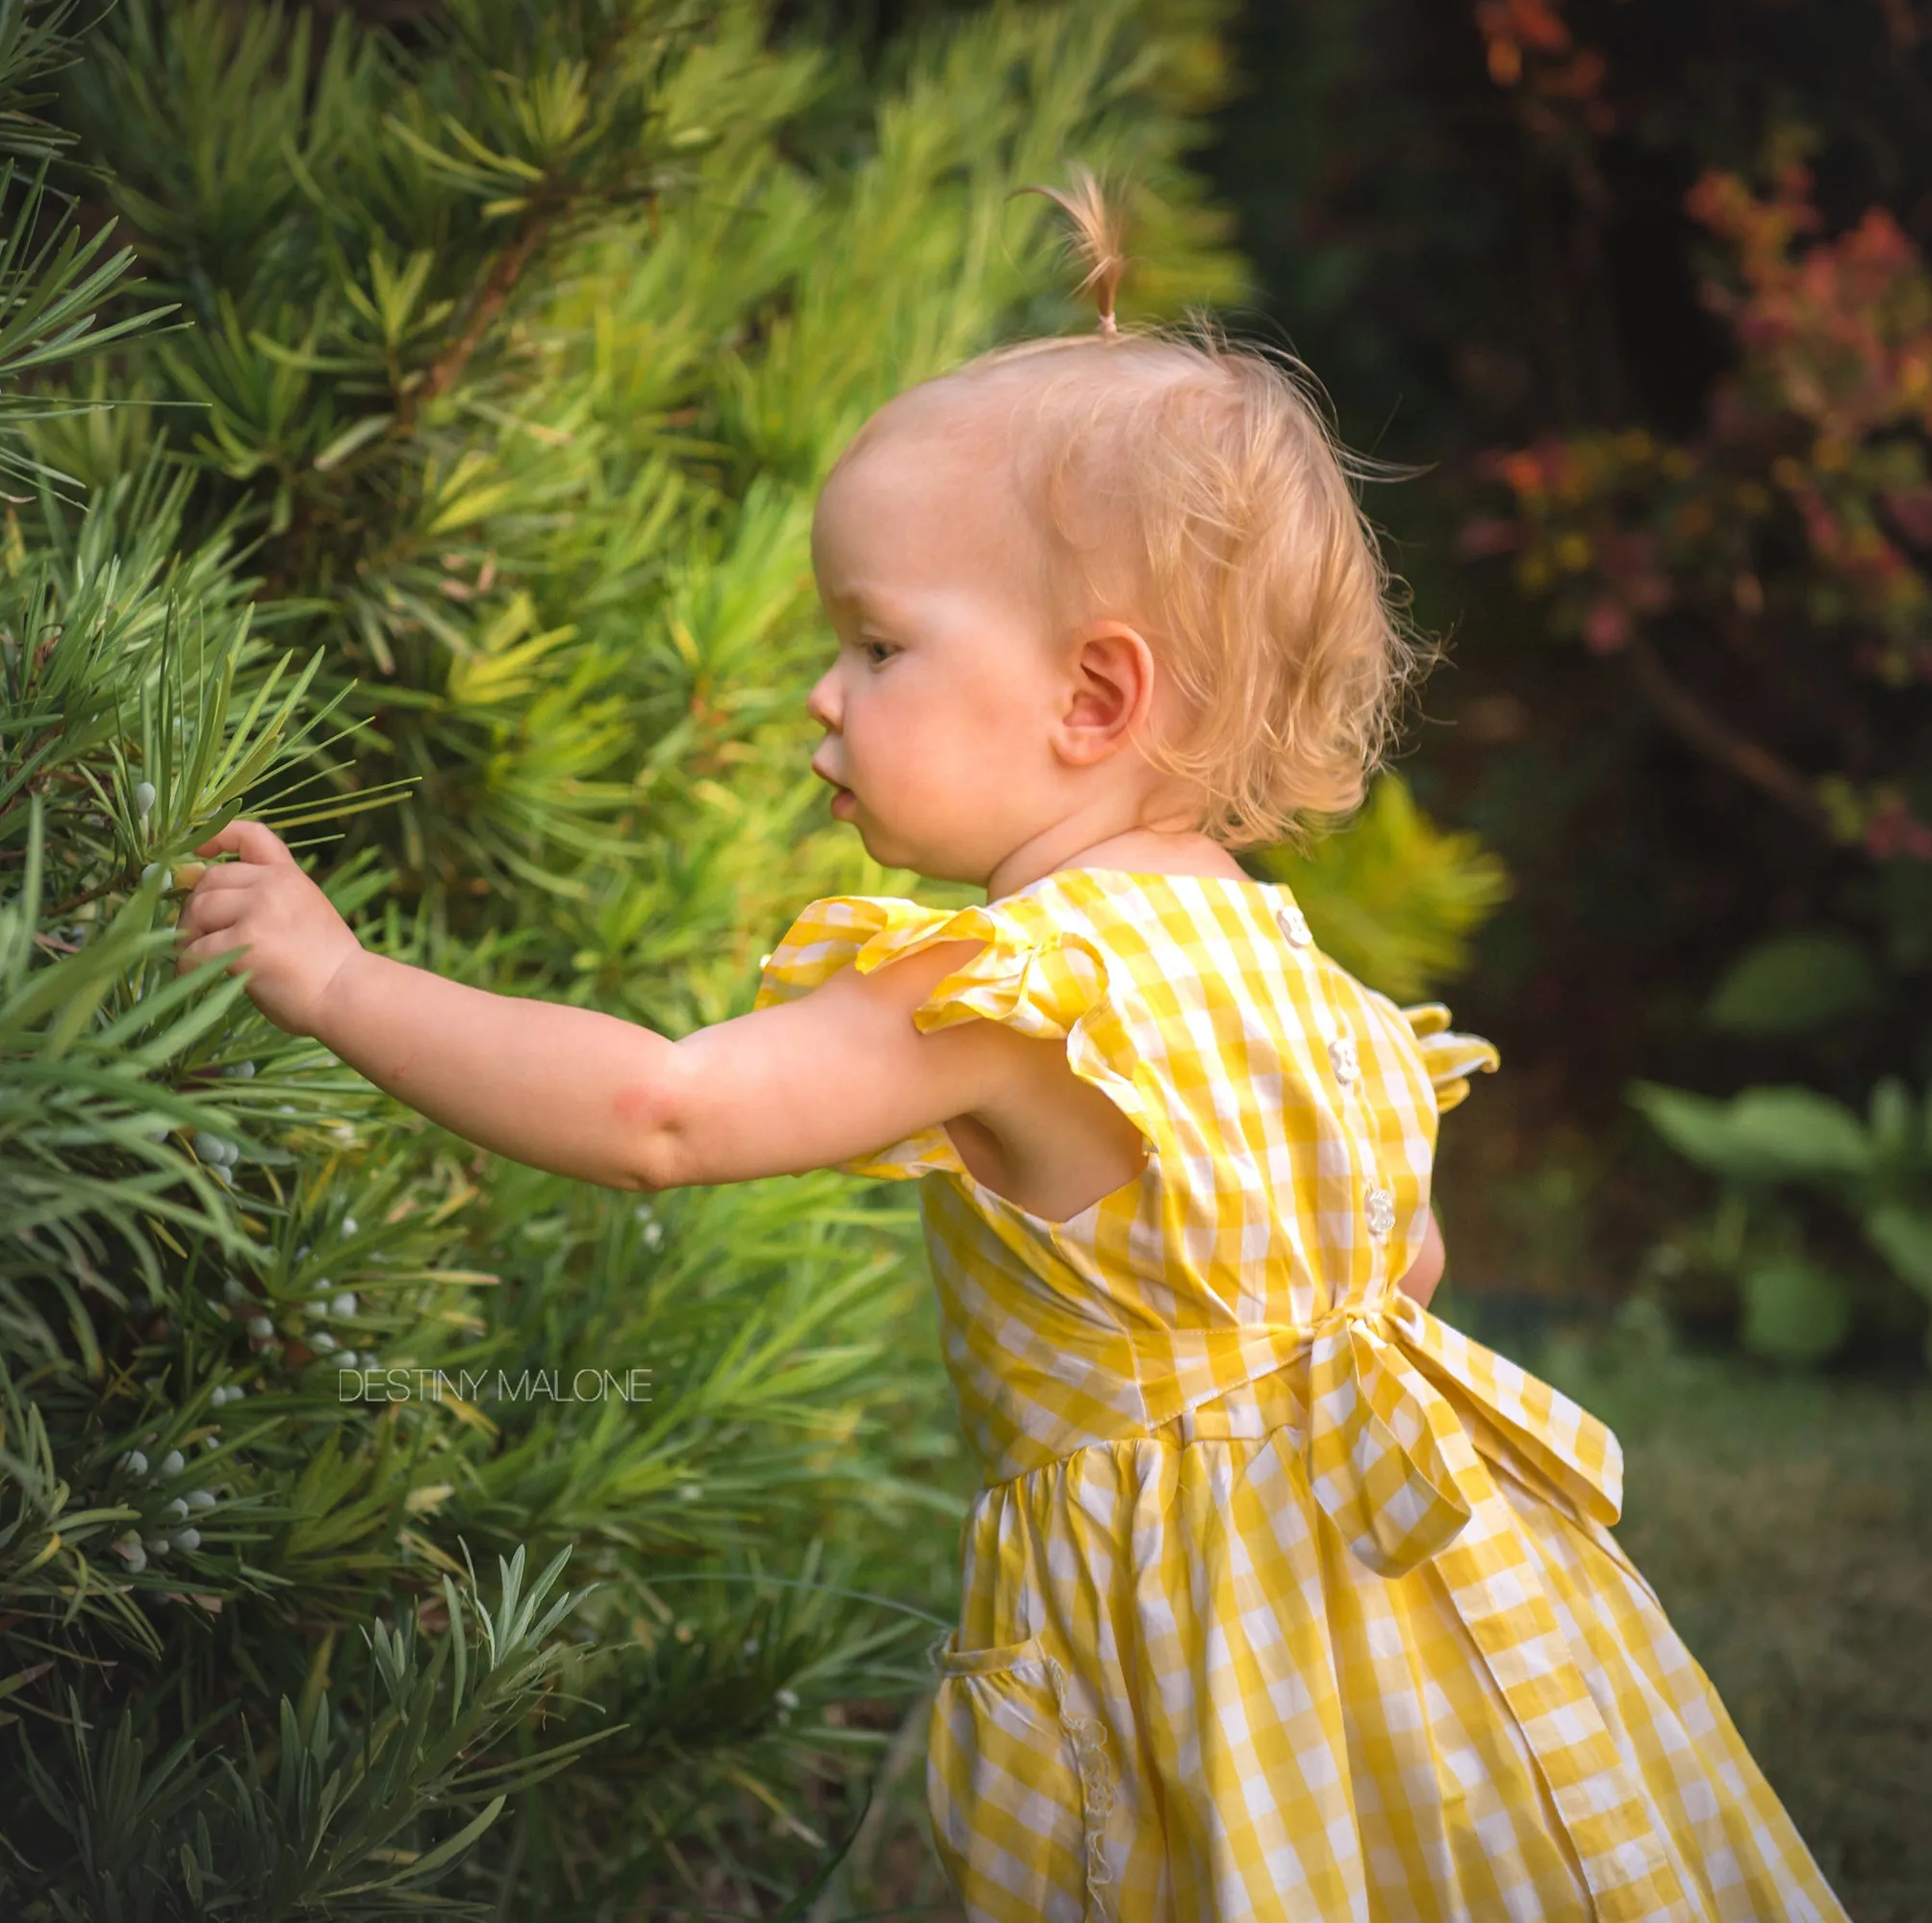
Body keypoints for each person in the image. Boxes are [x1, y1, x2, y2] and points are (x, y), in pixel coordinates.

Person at [174, 173, 1846, 1923]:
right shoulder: (1314, 991)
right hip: (1442, 1622)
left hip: (1210, 1651)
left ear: (1094, 701)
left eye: (876, 643)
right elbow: (1400, 1264)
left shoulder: (1013, 990)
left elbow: (659, 1109)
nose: (823, 694)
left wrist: (341, 981)